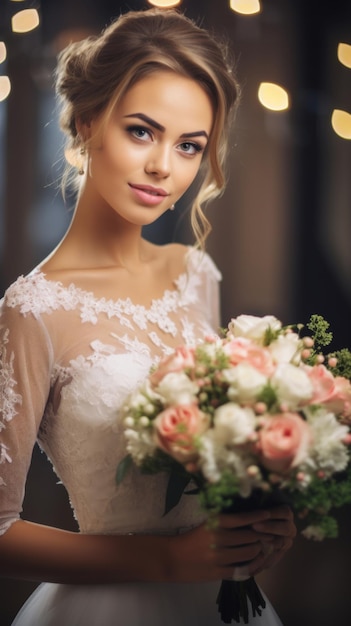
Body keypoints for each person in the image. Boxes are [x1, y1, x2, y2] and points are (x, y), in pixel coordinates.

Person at [0, 8, 296, 625]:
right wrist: (167, 562)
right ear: (88, 123)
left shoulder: (194, 273)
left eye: (190, 146)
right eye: (142, 131)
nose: (165, 167)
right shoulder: (33, 310)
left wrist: (257, 517)